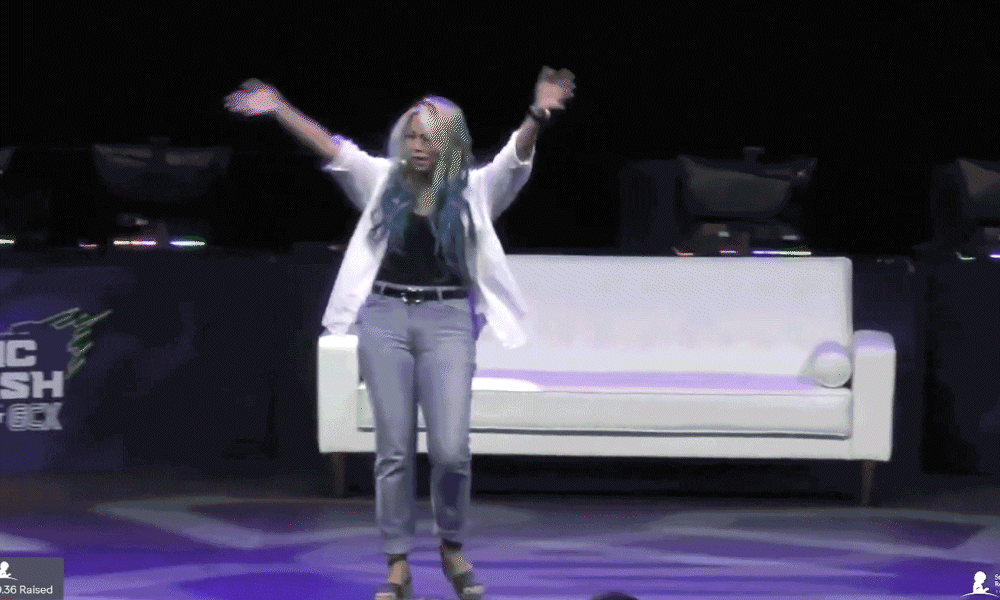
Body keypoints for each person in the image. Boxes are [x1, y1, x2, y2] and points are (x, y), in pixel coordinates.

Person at [225, 66, 575, 600]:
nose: (417, 145)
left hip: (449, 319)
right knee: (392, 449)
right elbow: (333, 148)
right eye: (411, 135)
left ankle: (452, 548)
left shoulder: (476, 189)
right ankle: (397, 564)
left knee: (452, 449)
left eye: (429, 137)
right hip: (384, 317)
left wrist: (538, 113)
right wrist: (279, 109)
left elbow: (515, 156)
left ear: (448, 142)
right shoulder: (382, 181)